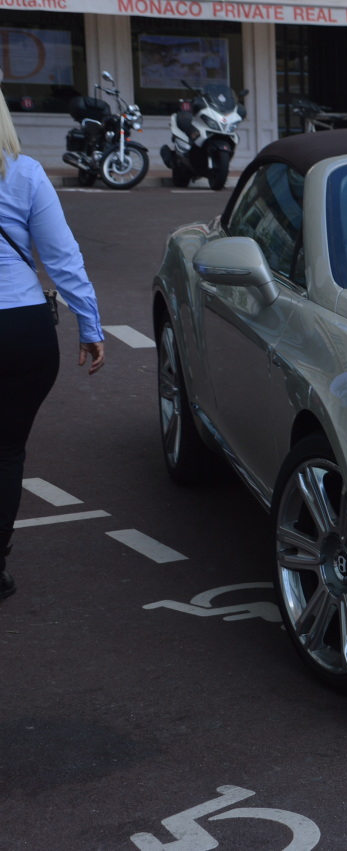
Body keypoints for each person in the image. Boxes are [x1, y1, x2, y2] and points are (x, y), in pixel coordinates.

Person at [0, 72, 106, 603]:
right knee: (6, 450)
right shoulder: (24, 174)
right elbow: (62, 259)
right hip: (20, 328)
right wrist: (90, 325)